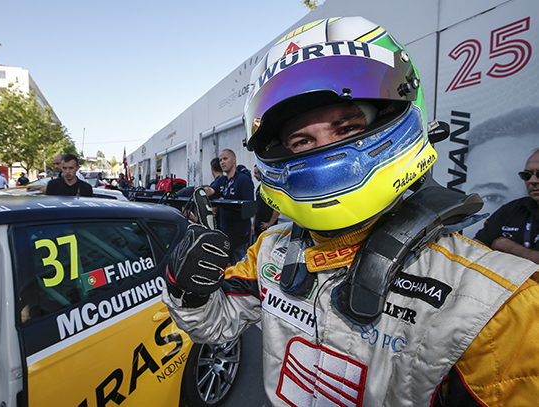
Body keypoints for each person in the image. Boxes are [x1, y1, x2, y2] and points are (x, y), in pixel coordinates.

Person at [162, 17, 539, 407]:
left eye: (345, 129)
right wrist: (186, 290)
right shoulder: (270, 251)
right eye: (302, 140)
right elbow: (216, 325)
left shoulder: (495, 303)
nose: (324, 150)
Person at [464, 106, 539, 238]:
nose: (532, 181)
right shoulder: (511, 210)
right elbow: (478, 245)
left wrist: (505, 245)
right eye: (493, 197)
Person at [474, 149, 539, 264]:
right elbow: (476, 248)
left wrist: (508, 247)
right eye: (526, 175)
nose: (532, 180)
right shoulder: (513, 209)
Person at [205, 149, 254, 263]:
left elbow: (249, 208)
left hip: (240, 233)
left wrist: (227, 203)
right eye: (220, 160)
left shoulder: (243, 180)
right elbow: (211, 190)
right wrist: (202, 190)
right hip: (225, 231)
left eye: (225, 159)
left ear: (234, 160)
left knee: (239, 266)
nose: (222, 162)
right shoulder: (222, 180)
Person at [252, 164, 278, 239]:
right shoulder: (259, 188)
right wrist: (253, 225)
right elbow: (256, 208)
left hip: (268, 230)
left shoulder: (271, 189)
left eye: (256, 173)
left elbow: (277, 207)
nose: (254, 175)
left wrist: (270, 223)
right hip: (259, 228)